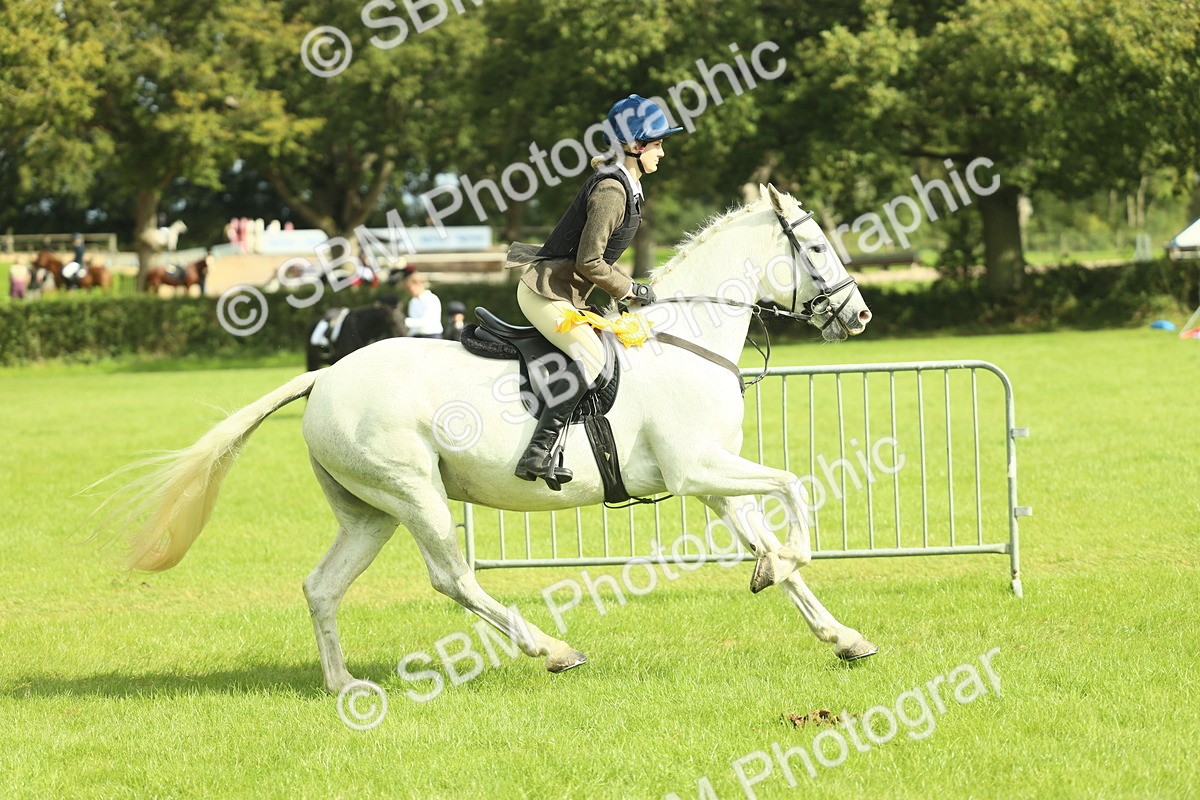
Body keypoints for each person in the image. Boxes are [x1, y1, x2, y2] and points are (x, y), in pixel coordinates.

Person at [506, 93, 682, 489]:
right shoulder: (612, 191)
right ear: (635, 145)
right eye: (656, 143)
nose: (662, 152)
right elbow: (589, 262)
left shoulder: (627, 188)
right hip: (546, 292)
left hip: (567, 294)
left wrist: (626, 292)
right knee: (591, 357)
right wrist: (631, 288)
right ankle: (540, 449)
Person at [404, 270, 443, 338]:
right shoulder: (412, 302)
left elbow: (426, 321)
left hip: (432, 337)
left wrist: (405, 322)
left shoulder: (431, 299)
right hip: (416, 337)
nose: (409, 291)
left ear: (418, 284)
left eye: (410, 288)